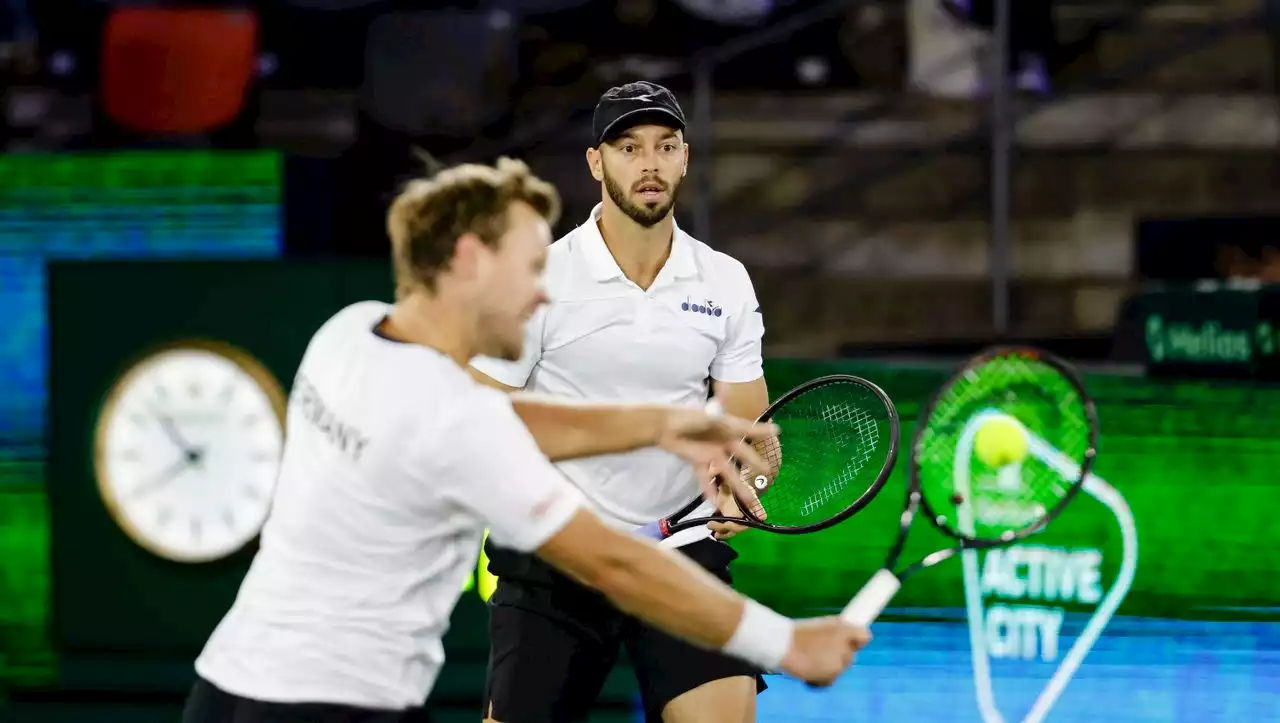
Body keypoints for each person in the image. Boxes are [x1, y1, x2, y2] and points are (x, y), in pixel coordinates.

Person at [181, 157, 870, 723]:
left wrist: (658, 423)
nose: (543, 296)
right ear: (472, 259)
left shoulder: (349, 333)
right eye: (530, 269)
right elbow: (616, 564)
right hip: (337, 706)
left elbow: (498, 415)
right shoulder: (456, 424)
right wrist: (786, 642)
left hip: (227, 684)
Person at [470, 82, 780, 723]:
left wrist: (743, 483)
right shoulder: (537, 280)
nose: (650, 164)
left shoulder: (724, 279)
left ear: (686, 158)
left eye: (665, 147)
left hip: (679, 554)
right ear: (595, 163)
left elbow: (747, 428)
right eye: (629, 147)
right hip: (554, 561)